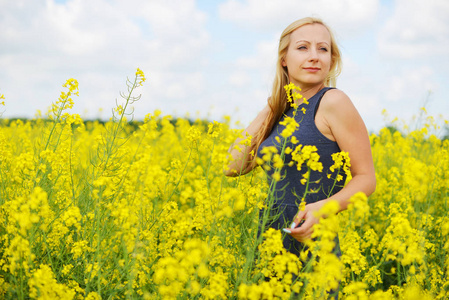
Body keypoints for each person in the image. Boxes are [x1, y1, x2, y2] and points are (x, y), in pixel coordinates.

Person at [224, 15, 376, 284]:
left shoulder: (332, 102)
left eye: (323, 49)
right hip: (268, 242)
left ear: (331, 60)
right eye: (303, 47)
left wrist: (323, 208)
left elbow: (366, 178)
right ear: (284, 58)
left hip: (312, 241)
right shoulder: (280, 111)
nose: (314, 56)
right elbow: (233, 167)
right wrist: (274, 104)